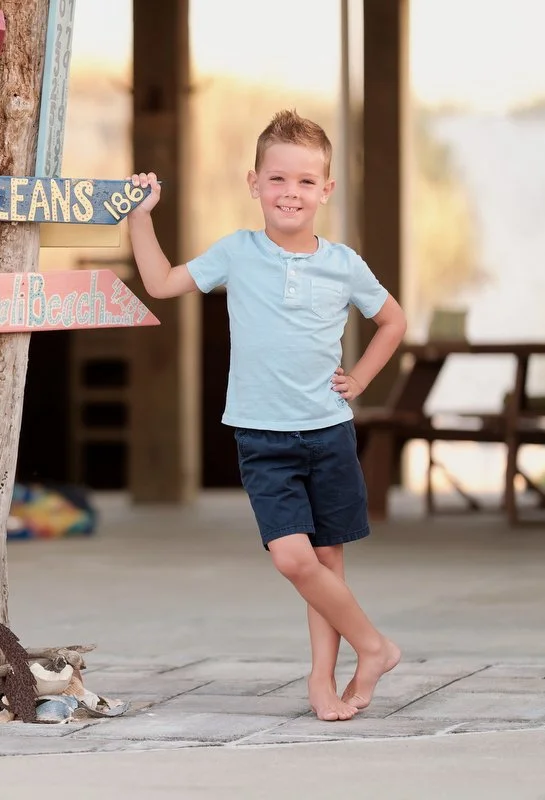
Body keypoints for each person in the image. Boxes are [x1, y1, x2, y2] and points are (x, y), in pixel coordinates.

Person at [127, 109, 406, 722]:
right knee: (292, 558)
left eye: (306, 182)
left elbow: (393, 321)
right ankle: (375, 646)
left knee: (327, 562)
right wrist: (140, 218)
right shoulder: (237, 252)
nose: (291, 193)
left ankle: (323, 683)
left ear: (326, 190)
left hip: (329, 432)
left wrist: (359, 377)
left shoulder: (344, 263)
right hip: (264, 437)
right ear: (253, 183)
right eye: (278, 180)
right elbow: (162, 282)